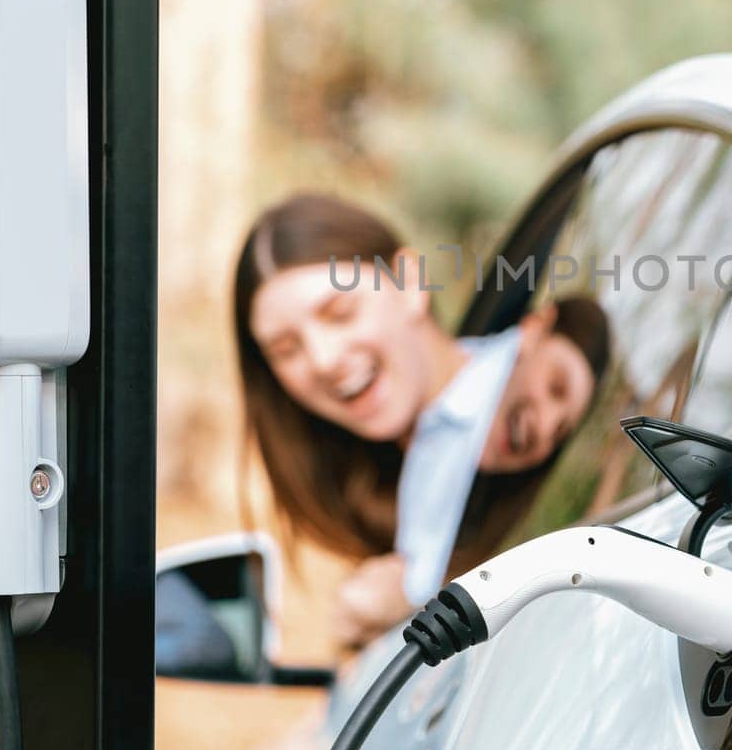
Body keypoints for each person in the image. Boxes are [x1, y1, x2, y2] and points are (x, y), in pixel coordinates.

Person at [234, 192, 609, 647]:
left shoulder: (510, 390)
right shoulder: (393, 485)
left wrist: (408, 596)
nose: (323, 358)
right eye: (286, 350)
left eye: (341, 311)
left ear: (410, 282)